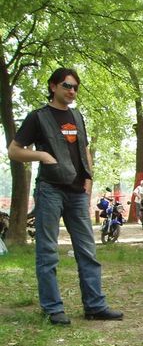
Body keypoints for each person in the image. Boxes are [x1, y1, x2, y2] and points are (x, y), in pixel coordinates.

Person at [7, 67, 123, 325]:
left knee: (88, 250)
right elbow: (14, 150)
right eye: (67, 86)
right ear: (53, 86)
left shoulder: (77, 116)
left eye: (75, 87)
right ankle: (53, 309)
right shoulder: (38, 117)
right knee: (48, 251)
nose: (72, 91)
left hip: (78, 192)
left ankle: (95, 306)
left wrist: (88, 182)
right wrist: (41, 155)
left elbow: (85, 150)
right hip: (50, 190)